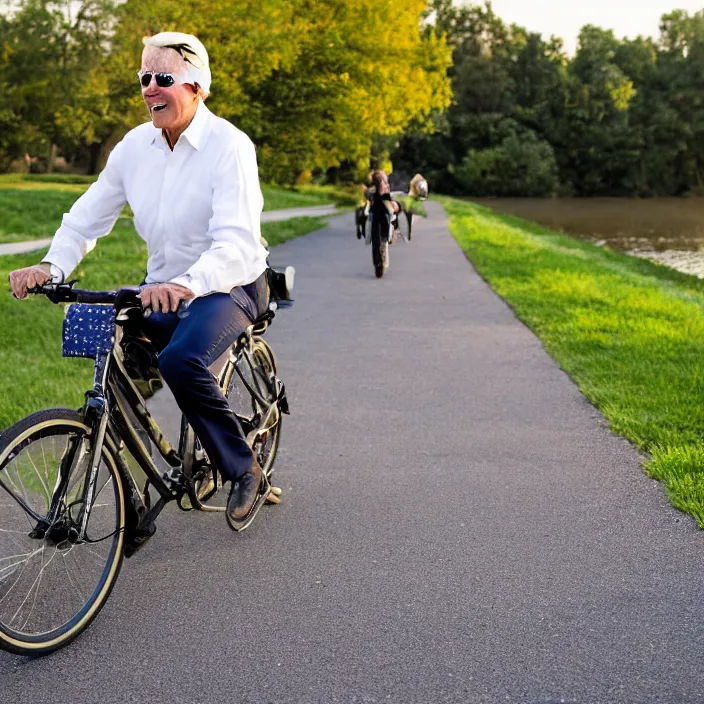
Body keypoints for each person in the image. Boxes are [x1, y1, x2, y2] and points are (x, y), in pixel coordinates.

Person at [8, 31, 270, 531]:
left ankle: (243, 468)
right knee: (118, 361)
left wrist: (187, 283)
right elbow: (87, 217)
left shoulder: (229, 147)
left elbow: (235, 243)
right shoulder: (135, 146)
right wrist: (51, 266)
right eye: (144, 77)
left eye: (163, 78)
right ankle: (135, 500)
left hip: (228, 284)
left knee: (180, 360)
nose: (150, 87)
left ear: (198, 87)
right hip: (162, 287)